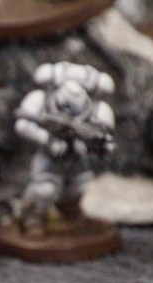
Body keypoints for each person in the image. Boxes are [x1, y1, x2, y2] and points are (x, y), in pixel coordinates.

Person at [13, 62, 116, 235]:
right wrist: (47, 139)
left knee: (79, 188)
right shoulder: (41, 99)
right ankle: (33, 217)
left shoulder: (97, 109)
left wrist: (89, 145)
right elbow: (22, 125)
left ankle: (70, 214)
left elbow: (104, 138)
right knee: (45, 189)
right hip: (49, 157)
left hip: (76, 159)